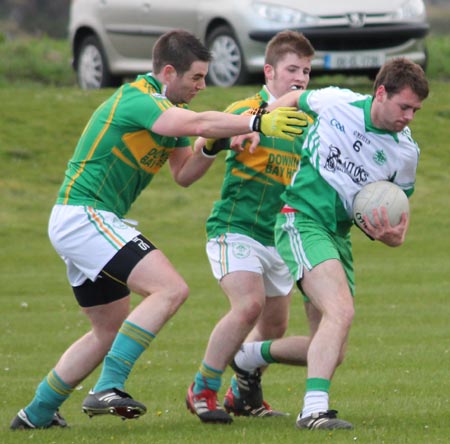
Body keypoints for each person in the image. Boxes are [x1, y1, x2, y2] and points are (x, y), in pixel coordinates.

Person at [9, 29, 309, 430]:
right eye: (196, 78)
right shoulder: (138, 99)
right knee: (170, 288)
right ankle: (108, 387)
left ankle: (37, 413)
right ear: (169, 72)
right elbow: (199, 121)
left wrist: (218, 145)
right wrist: (256, 119)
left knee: (107, 330)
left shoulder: (173, 112)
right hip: (83, 215)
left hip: (89, 222)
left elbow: (185, 173)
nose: (202, 86)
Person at [229, 57, 429, 430]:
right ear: (381, 93)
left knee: (331, 350)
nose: (410, 117)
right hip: (300, 218)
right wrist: (258, 125)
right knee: (341, 311)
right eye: (405, 106)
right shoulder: (338, 102)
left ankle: (248, 356)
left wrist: (394, 236)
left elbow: (398, 208)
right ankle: (314, 410)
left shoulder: (405, 153)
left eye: (416, 110)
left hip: (337, 236)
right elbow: (293, 99)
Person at [185, 31, 315, 424]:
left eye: (307, 71)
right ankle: (202, 388)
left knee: (274, 326)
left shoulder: (307, 120)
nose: (301, 78)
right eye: (293, 69)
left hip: (278, 238)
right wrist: (229, 139)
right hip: (234, 227)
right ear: (270, 70)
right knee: (249, 305)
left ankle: (242, 393)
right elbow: (199, 145)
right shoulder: (246, 108)